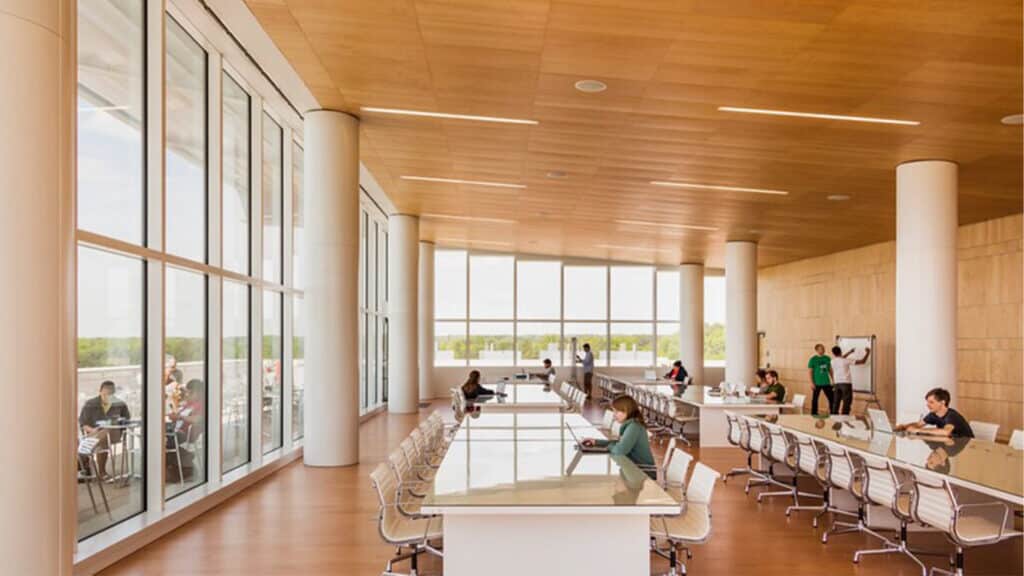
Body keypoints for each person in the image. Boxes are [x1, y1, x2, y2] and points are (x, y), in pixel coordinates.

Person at [581, 396, 657, 479]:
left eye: (617, 412)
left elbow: (619, 450)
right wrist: (597, 442)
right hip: (633, 468)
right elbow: (619, 444)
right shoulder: (630, 425)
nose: (614, 415)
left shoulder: (634, 427)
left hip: (643, 472)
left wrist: (608, 447)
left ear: (627, 411)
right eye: (614, 411)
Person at [79, 380, 132, 479]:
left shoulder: (120, 404)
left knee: (104, 434)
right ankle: (100, 471)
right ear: (100, 392)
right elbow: (83, 423)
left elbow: (127, 420)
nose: (107, 397)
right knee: (101, 437)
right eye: (105, 394)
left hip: (114, 433)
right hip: (93, 432)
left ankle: (83, 460)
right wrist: (93, 430)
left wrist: (119, 421)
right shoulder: (90, 404)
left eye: (110, 395)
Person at [895, 388, 974, 438]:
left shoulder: (952, 416)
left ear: (942, 403)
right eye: (927, 402)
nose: (928, 405)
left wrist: (918, 431)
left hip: (967, 448)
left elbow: (946, 432)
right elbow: (918, 424)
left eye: (931, 402)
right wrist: (903, 427)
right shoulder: (933, 414)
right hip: (951, 445)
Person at [830, 345, 870, 415]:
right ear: (841, 351)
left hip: (837, 384)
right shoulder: (846, 361)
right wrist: (868, 352)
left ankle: (834, 418)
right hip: (846, 384)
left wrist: (849, 352)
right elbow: (862, 361)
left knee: (836, 402)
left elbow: (841, 358)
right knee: (846, 402)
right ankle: (844, 418)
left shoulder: (832, 361)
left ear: (833, 353)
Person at [807, 343, 834, 415]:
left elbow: (830, 370)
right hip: (817, 383)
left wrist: (833, 380)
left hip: (826, 382)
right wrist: (811, 382)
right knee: (815, 399)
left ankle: (833, 413)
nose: (823, 349)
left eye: (823, 348)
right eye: (821, 348)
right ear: (817, 350)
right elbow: (810, 372)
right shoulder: (813, 359)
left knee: (832, 398)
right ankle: (814, 413)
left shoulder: (827, 358)